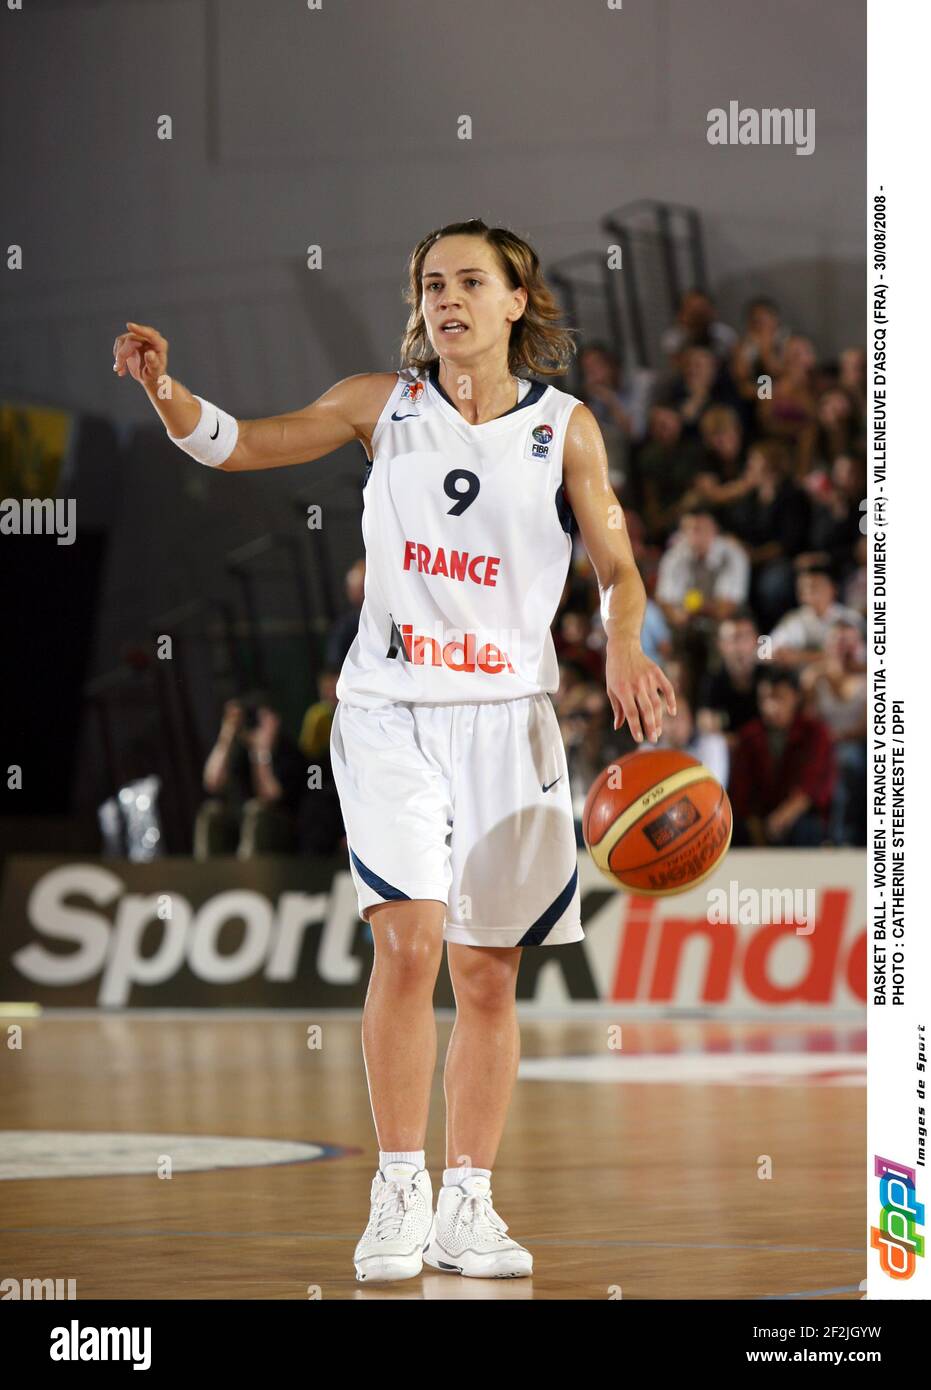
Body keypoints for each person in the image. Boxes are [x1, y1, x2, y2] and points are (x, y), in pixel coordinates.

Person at [113, 218, 676, 1283]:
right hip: (391, 713)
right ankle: (398, 1188)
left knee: (489, 973)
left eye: (471, 280)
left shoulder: (568, 428)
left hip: (510, 718)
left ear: (517, 301)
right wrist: (163, 391)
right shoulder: (383, 403)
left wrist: (623, 642)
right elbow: (241, 440)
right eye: (431, 283)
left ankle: (470, 1202)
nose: (446, 298)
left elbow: (615, 562)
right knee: (410, 944)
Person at [728, 666, 836, 846]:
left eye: (779, 697)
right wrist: (758, 832)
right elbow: (741, 792)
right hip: (760, 821)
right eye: (765, 698)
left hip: (799, 817)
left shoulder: (815, 732)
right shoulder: (749, 736)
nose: (771, 705)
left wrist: (781, 819)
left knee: (805, 827)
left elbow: (811, 786)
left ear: (796, 697)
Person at [194, 692, 307, 858]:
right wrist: (227, 734)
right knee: (210, 812)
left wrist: (261, 752)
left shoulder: (287, 752)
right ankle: (208, 876)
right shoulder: (238, 750)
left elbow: (270, 795)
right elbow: (212, 783)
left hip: (279, 828)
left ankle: (247, 874)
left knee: (256, 811)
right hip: (240, 823)